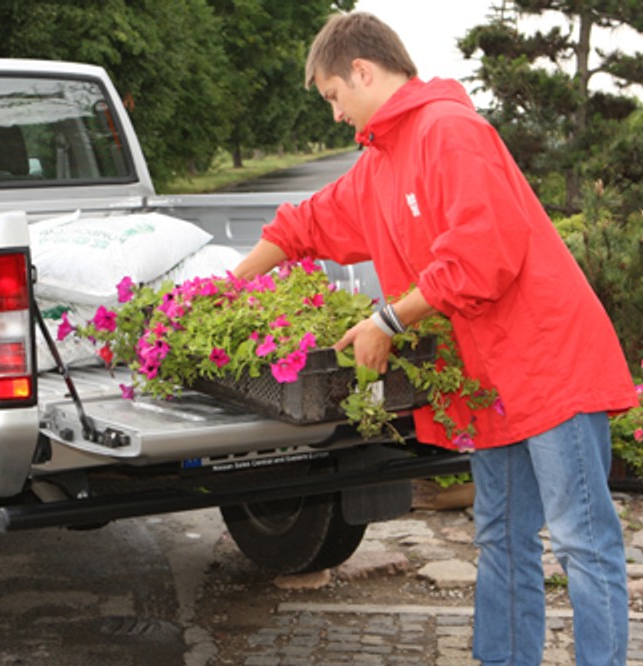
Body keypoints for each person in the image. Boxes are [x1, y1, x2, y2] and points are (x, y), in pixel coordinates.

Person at [234, 11, 639, 665]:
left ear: (361, 71)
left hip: (549, 365)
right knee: (501, 536)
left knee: (581, 541)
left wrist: (387, 321)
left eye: (334, 96)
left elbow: (485, 256)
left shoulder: (450, 132)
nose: (335, 115)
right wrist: (233, 282)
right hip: (489, 383)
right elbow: (308, 222)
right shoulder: (381, 162)